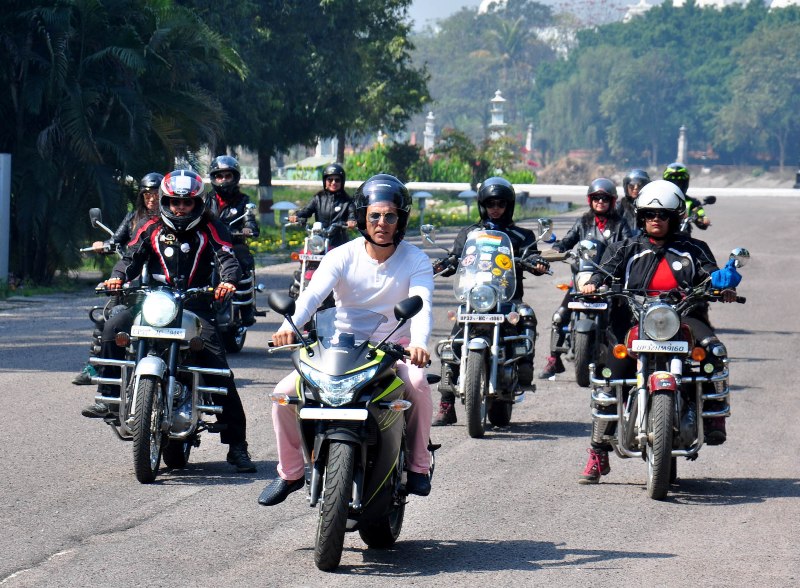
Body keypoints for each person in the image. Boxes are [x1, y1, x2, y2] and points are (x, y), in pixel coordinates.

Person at [258, 173, 435, 505]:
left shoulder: (416, 260)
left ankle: (418, 466)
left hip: (394, 348)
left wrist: (419, 344)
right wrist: (289, 326)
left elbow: (421, 305)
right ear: (363, 218)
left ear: (401, 220)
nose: (382, 223)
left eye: (390, 216)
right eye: (375, 215)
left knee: (418, 384)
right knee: (284, 395)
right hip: (341, 347)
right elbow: (312, 296)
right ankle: (290, 472)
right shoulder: (341, 255)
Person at [80, 169, 256, 473]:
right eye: (175, 202)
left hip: (196, 303)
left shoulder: (211, 228)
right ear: (165, 201)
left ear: (198, 203)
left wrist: (227, 281)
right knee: (113, 326)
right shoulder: (150, 226)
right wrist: (117, 277)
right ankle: (109, 397)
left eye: (187, 203)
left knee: (218, 368)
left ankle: (237, 445)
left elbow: (227, 257)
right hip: (153, 300)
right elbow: (131, 257)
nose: (181, 208)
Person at [576, 180, 739, 484]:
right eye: (650, 214)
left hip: (684, 317)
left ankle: (715, 414)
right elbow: (603, 271)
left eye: (663, 215)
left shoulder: (693, 249)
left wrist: (723, 285)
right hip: (636, 320)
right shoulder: (626, 248)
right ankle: (598, 451)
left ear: (674, 217)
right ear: (641, 217)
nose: (656, 219)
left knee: (714, 351)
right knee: (610, 375)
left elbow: (710, 274)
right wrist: (592, 283)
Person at [431, 177, 549, 427]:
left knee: (527, 314)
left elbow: (533, 255)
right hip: (475, 298)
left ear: (509, 205)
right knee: (453, 343)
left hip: (508, 299)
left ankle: (524, 366)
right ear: (482, 205)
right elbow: (456, 257)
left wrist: (536, 262)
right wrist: (445, 263)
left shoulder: (522, 235)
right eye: (490, 203)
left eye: (501, 204)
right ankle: (446, 404)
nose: (495, 208)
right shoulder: (469, 234)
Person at [73, 172, 164, 386]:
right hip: (132, 278)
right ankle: (96, 365)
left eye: (156, 194)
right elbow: (115, 240)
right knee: (107, 316)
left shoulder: (171, 221)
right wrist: (103, 245)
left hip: (159, 282)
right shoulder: (134, 218)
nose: (151, 199)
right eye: (147, 195)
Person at [539, 178, 632, 380]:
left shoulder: (620, 224)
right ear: (590, 200)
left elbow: (629, 244)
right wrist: (557, 249)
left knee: (623, 319)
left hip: (610, 281)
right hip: (583, 278)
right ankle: (554, 359)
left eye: (604, 198)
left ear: (612, 201)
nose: (600, 202)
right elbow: (568, 240)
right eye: (596, 198)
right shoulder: (583, 222)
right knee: (559, 316)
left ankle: (624, 361)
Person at [204, 155, 260, 326]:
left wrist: (248, 229)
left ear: (235, 177)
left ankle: (246, 307)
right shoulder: (205, 200)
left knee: (243, 260)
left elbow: (250, 221)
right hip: (210, 243)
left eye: (228, 176)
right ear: (213, 178)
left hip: (234, 243)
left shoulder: (243, 201)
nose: (223, 180)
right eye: (219, 176)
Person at [288, 163, 356, 248]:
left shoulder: (347, 201)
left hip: (339, 242)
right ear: (325, 181)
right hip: (319, 240)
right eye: (330, 180)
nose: (333, 182)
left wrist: (351, 221)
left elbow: (352, 214)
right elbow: (307, 210)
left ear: (342, 182)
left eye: (337, 180)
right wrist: (296, 216)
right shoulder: (318, 198)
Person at [662, 162, 710, 232]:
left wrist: (702, 220)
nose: (677, 186)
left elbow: (701, 216)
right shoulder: (660, 200)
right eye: (673, 182)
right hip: (661, 234)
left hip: (684, 235)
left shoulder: (692, 202)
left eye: (680, 183)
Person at [617, 168, 650, 233]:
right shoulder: (620, 206)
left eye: (640, 185)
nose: (636, 188)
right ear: (626, 187)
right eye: (631, 185)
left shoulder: (651, 206)